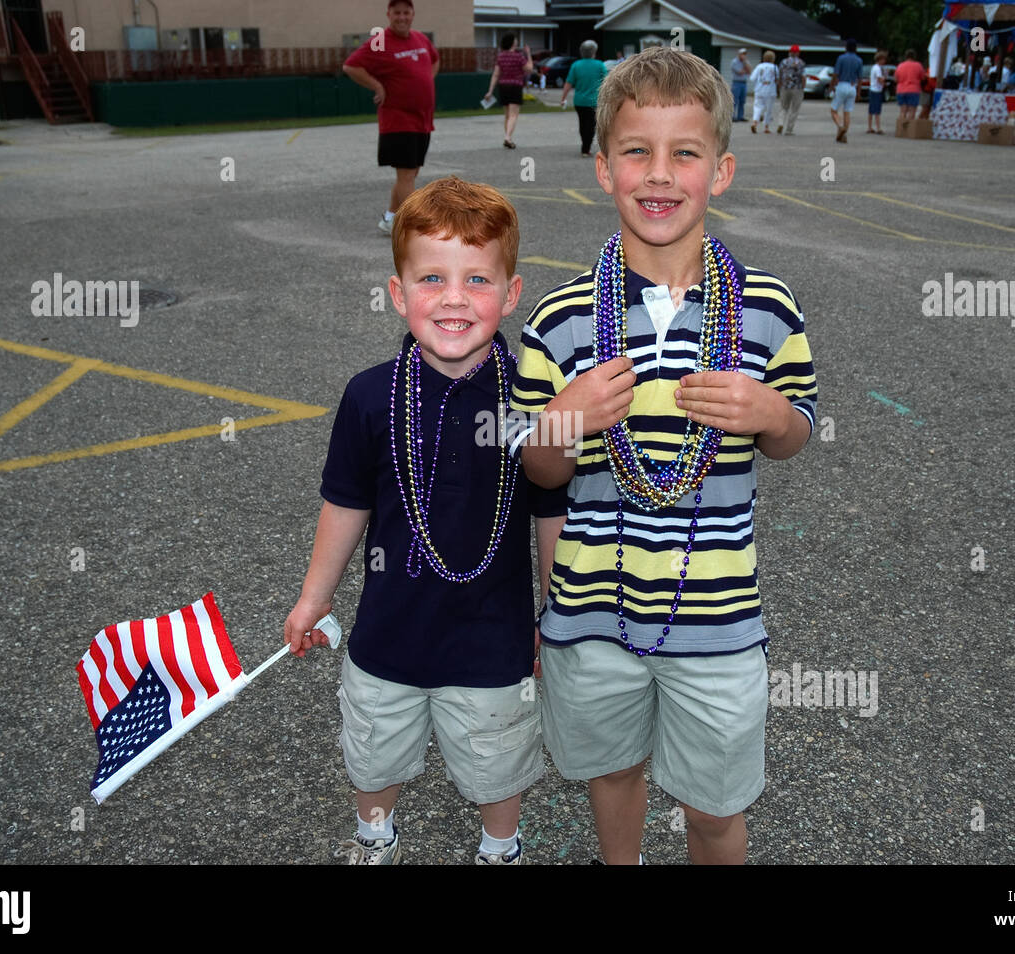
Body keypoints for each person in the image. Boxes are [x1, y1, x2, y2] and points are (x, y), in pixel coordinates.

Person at [510, 47, 817, 865]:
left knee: (714, 809)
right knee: (613, 773)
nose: (658, 174)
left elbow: (795, 433)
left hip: (717, 615)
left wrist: (770, 411)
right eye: (636, 151)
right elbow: (540, 473)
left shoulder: (766, 306)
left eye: (685, 153)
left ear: (721, 171)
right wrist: (563, 423)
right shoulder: (561, 316)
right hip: (592, 614)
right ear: (603, 166)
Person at [284, 176, 564, 865]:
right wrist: (314, 596)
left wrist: (555, 614)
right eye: (432, 278)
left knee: (500, 756)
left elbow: (552, 514)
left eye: (477, 279)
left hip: (494, 639)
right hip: (389, 633)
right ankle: (374, 834)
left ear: (512, 293)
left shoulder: (534, 400)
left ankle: (500, 845)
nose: (454, 298)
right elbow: (345, 502)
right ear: (398, 292)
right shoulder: (369, 395)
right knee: (374, 750)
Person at [343, 0, 440, 235]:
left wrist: (424, 80)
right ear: (389, 14)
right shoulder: (380, 41)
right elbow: (351, 66)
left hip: (422, 119)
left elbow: (435, 60)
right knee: (406, 174)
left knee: (411, 172)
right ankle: (414, 228)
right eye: (397, 13)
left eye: (406, 12)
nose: (402, 17)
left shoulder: (420, 39)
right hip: (398, 119)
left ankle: (390, 218)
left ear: (413, 14)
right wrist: (377, 86)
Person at [561, 39, 608, 157]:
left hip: (579, 101)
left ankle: (585, 146)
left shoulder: (576, 65)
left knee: (582, 124)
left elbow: (568, 83)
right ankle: (586, 148)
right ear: (594, 52)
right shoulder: (599, 65)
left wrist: (563, 98)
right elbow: (607, 82)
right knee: (591, 125)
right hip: (594, 101)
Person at [487, 33, 533, 149]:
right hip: (515, 86)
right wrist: (528, 54)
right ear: (513, 42)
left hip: (503, 86)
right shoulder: (518, 56)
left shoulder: (501, 56)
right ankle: (507, 137)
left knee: (507, 115)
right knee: (513, 115)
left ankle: (508, 137)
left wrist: (490, 91)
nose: (517, 41)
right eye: (515, 40)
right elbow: (529, 69)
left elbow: (496, 74)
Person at [829, 38, 862, 142]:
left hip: (842, 84)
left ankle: (840, 126)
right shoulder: (859, 60)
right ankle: (844, 134)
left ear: (846, 47)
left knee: (834, 110)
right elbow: (860, 78)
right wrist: (859, 92)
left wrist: (831, 86)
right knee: (847, 112)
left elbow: (836, 74)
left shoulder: (841, 58)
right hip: (852, 86)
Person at [777, 44, 806, 135]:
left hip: (785, 87)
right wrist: (803, 87)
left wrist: (780, 85)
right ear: (798, 53)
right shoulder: (801, 63)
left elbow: (780, 74)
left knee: (783, 107)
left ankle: (781, 123)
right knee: (794, 109)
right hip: (797, 88)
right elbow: (803, 76)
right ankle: (789, 129)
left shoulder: (783, 62)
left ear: (790, 52)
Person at [749, 51, 778, 134]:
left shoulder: (759, 66)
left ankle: (755, 122)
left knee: (757, 107)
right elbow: (777, 79)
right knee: (768, 109)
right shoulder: (774, 67)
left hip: (759, 90)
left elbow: (752, 78)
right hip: (770, 91)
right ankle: (766, 126)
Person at [894, 48, 926, 125]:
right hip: (913, 90)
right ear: (914, 56)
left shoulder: (900, 66)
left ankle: (902, 128)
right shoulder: (918, 66)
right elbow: (923, 78)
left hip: (901, 90)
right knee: (912, 111)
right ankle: (909, 128)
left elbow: (896, 79)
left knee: (903, 111)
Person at [867, 50, 888, 133]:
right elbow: (880, 79)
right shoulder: (878, 68)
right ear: (880, 59)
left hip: (872, 89)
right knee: (877, 110)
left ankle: (870, 127)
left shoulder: (874, 67)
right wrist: (884, 81)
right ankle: (878, 127)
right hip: (876, 90)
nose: (884, 61)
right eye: (883, 59)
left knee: (871, 109)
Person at [729, 48, 750, 122]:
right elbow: (740, 72)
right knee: (735, 100)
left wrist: (745, 64)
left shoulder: (746, 62)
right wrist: (745, 70)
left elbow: (749, 71)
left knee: (742, 101)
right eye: (742, 54)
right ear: (739, 54)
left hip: (744, 83)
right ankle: (732, 116)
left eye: (745, 54)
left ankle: (740, 116)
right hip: (736, 83)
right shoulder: (734, 62)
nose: (744, 56)